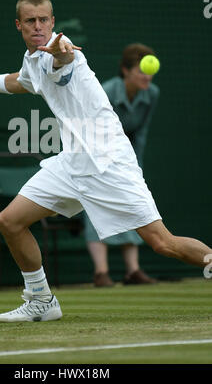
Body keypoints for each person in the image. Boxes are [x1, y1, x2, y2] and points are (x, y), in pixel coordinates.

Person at [0, 0, 212, 323]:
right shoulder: (32, 61)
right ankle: (41, 300)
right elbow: (22, 81)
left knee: (162, 243)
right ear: (19, 25)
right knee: (9, 221)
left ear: (53, 23)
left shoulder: (62, 52)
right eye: (30, 21)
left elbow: (60, 60)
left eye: (44, 20)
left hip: (110, 162)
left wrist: (61, 51)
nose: (38, 26)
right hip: (72, 162)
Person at [85, 43, 160, 287]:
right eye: (141, 70)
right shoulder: (105, 91)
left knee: (132, 206)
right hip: (93, 152)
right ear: (126, 71)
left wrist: (134, 169)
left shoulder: (151, 94)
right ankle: (101, 273)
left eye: (150, 70)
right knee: (95, 207)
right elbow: (90, 131)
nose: (147, 76)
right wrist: (101, 164)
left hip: (123, 156)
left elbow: (142, 133)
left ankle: (133, 271)